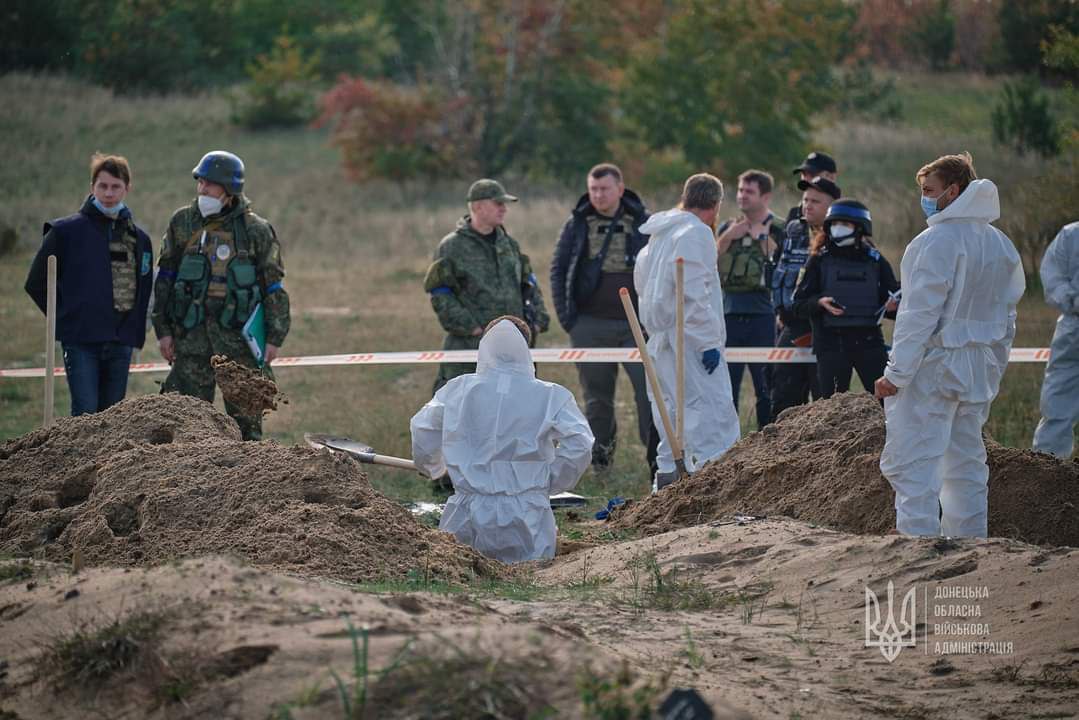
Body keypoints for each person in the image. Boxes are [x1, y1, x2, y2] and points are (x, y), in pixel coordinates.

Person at [876, 153, 1025, 538]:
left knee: (916, 459)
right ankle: (971, 541)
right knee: (966, 462)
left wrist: (896, 373)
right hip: (978, 368)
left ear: (953, 191)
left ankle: (917, 542)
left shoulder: (935, 241)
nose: (924, 198)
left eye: (929, 191)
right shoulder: (1000, 244)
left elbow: (917, 316)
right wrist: (995, 365)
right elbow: (1009, 317)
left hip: (934, 367)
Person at [410, 317, 594, 563]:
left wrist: (433, 466)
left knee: (465, 577)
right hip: (527, 517)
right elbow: (580, 442)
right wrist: (550, 480)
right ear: (526, 346)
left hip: (466, 515)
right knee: (529, 580)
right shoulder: (551, 395)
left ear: (484, 344)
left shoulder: (457, 389)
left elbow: (423, 427)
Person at [152, 150, 291, 440]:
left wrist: (274, 337)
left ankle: (248, 484)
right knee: (184, 423)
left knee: (246, 431)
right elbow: (165, 279)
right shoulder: (182, 223)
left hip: (239, 345)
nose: (202, 189)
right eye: (200, 182)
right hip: (191, 342)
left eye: (209, 184)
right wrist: (163, 331)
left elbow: (273, 287)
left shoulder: (256, 231)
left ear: (229, 190)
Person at [25, 153, 154, 416]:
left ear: (127, 188)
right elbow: (36, 283)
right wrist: (65, 318)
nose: (109, 193)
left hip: (120, 342)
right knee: (85, 414)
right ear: (92, 187)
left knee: (112, 419)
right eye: (102, 186)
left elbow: (144, 287)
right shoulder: (64, 232)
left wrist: (135, 330)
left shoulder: (140, 239)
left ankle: (110, 461)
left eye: (115, 186)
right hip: (81, 341)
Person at [550, 163, 658, 472]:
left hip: (638, 327)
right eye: (593, 189)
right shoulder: (577, 224)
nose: (598, 195)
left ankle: (656, 463)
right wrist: (569, 318)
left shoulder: (644, 223)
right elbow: (559, 270)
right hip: (589, 325)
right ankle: (600, 462)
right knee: (597, 400)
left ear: (620, 190)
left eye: (604, 189)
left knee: (648, 395)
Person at [635, 174, 741, 490]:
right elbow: (694, 294)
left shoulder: (660, 235)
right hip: (689, 342)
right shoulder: (696, 234)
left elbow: (643, 283)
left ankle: (668, 483)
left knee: (670, 415)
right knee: (710, 415)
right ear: (716, 204)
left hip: (662, 337)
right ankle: (715, 487)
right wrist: (707, 342)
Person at [424, 179, 550, 394]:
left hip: (512, 347)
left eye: (504, 204)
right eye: (497, 203)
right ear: (477, 206)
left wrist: (537, 320)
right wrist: (472, 329)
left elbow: (528, 283)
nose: (504, 209)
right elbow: (440, 293)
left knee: (514, 409)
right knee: (464, 408)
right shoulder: (452, 247)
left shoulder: (508, 245)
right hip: (470, 348)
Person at [792, 198, 899, 398]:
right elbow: (798, 305)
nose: (838, 228)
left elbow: (895, 300)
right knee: (831, 409)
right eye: (834, 224)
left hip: (869, 342)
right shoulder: (818, 260)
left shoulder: (875, 260)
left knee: (887, 402)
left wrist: (893, 307)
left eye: (845, 224)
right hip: (831, 344)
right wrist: (819, 303)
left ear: (859, 228)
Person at [716, 170, 784, 429]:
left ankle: (766, 444)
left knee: (766, 388)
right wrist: (728, 237)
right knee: (726, 389)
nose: (742, 196)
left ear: (765, 196)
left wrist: (762, 238)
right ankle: (727, 447)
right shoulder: (728, 227)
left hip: (763, 316)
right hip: (729, 314)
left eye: (749, 191)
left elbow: (785, 267)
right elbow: (709, 264)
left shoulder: (778, 228)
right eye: (740, 190)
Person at [770, 176, 840, 417]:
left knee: (826, 405)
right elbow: (779, 270)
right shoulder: (793, 230)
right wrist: (780, 311)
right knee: (782, 398)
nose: (807, 205)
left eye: (815, 201)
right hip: (793, 325)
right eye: (805, 200)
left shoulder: (845, 236)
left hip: (827, 330)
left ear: (832, 205)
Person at [1032, 221, 1079, 457]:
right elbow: (1052, 276)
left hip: (1072, 326)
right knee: (1057, 403)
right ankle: (1047, 472)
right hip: (1074, 328)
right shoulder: (1072, 235)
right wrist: (1072, 300)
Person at [787, 152, 838, 223]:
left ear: (831, 177)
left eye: (813, 174)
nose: (806, 179)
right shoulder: (795, 213)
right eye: (804, 174)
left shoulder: (845, 213)